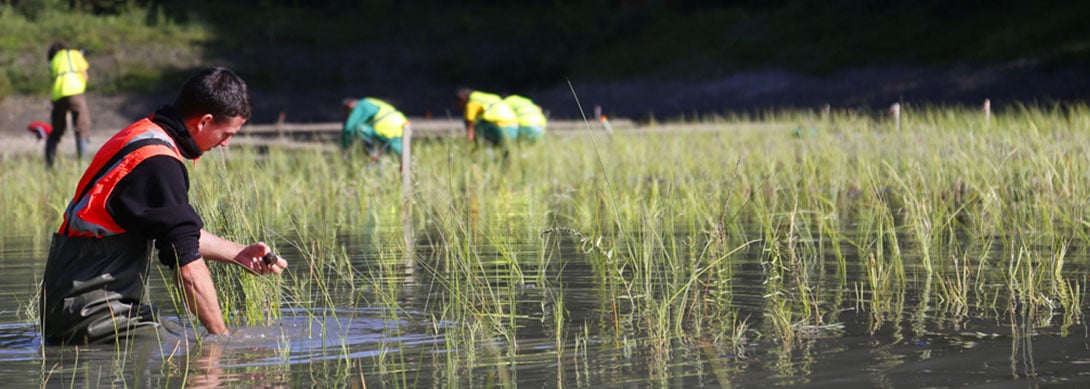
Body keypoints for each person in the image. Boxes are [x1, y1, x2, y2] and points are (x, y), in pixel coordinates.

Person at [39, 67, 288, 345]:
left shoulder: (143, 134)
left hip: (77, 307)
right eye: (226, 134)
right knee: (186, 349)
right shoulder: (157, 163)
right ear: (204, 121)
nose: (226, 144)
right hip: (91, 315)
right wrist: (222, 341)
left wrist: (238, 254)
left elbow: (177, 233)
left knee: (176, 338)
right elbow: (189, 270)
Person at [45, 41, 92, 168]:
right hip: (75, 93)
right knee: (82, 128)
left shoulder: (53, 61)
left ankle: (49, 165)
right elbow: (85, 76)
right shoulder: (75, 54)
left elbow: (52, 78)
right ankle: (82, 165)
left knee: (56, 131)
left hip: (58, 96)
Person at [341, 97, 408, 160]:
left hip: (386, 129)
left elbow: (348, 128)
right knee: (403, 157)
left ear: (350, 106)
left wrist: (344, 147)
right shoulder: (372, 102)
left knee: (360, 129)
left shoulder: (361, 105)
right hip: (402, 127)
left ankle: (372, 154)